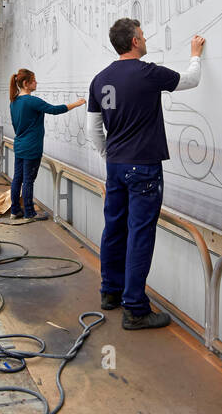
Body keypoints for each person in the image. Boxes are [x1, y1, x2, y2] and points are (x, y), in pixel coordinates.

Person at [87, 19, 205, 329]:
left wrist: (109, 155)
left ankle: (109, 292)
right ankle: (135, 309)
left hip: (115, 166)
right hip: (144, 167)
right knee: (140, 232)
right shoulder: (148, 73)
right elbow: (191, 80)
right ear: (135, 42)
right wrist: (195, 53)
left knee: (114, 228)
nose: (145, 38)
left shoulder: (100, 79)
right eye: (142, 35)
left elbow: (92, 129)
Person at [5, 69, 85, 223]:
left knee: (17, 178)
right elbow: (54, 110)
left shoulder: (14, 102)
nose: (36, 83)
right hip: (32, 147)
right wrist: (77, 103)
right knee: (28, 180)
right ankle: (29, 212)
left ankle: (15, 210)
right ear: (26, 84)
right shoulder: (32, 101)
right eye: (34, 80)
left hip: (20, 145)